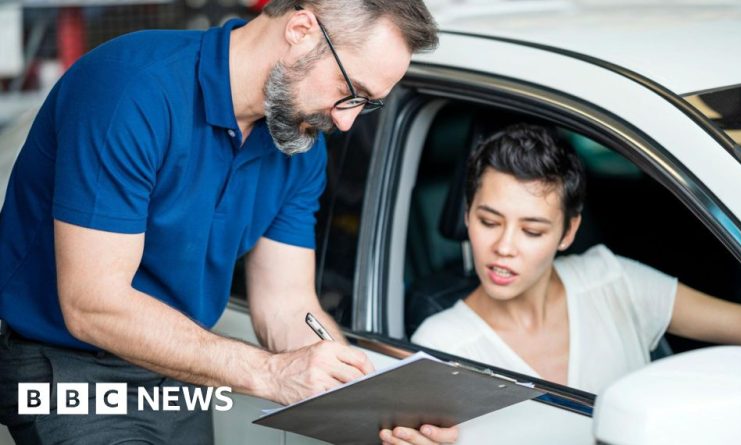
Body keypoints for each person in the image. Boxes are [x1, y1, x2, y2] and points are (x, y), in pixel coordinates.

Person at [0, 1, 457, 444]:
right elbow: (94, 306)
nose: (346, 122)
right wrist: (271, 372)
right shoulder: (132, 88)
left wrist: (376, 406)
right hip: (69, 367)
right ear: (301, 31)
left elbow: (286, 304)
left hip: (181, 366)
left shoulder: (300, 148)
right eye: (349, 91)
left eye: (367, 104)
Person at [412, 123, 741, 394]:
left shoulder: (614, 282)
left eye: (532, 231)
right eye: (489, 221)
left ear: (568, 232)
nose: (505, 247)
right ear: (467, 216)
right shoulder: (440, 347)